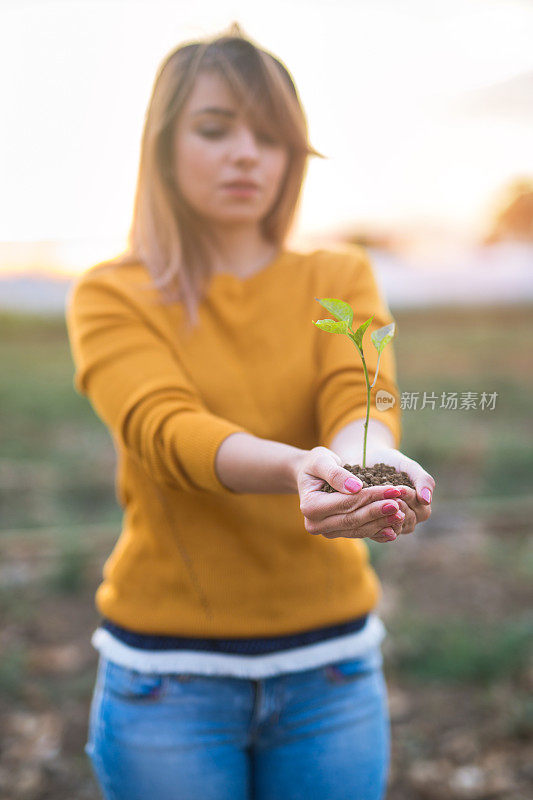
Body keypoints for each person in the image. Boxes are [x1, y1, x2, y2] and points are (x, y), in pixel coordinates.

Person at [65, 22, 435, 800]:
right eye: (214, 128)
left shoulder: (337, 274)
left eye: (271, 137)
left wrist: (364, 459)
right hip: (170, 681)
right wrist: (299, 468)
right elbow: (164, 430)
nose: (246, 153)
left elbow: (358, 393)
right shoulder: (111, 292)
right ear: (162, 145)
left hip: (331, 671)